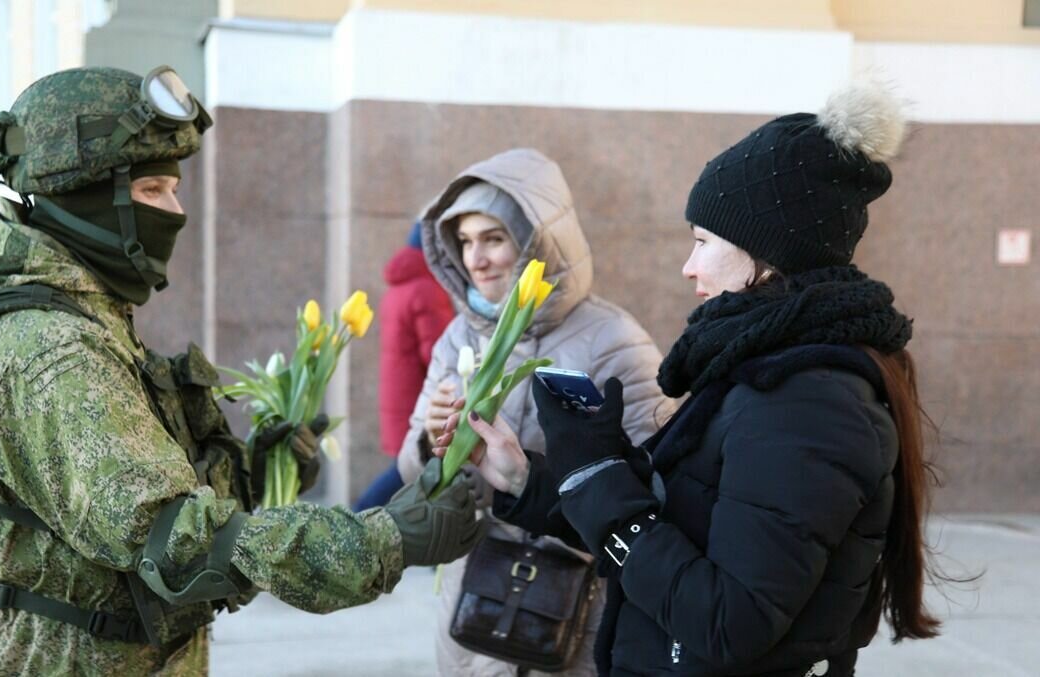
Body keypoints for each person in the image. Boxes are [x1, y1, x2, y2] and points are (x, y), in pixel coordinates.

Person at [0, 66, 483, 675]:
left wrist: (256, 474)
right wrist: (384, 541)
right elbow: (173, 544)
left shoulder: (82, 315)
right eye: (152, 192)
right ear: (82, 194)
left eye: (173, 188)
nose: (177, 211)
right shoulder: (46, 351)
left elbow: (127, 501)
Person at [442, 82, 944, 676]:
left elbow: (726, 621)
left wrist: (595, 473)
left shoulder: (809, 404)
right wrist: (528, 479)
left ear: (767, 255)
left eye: (704, 242)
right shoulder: (759, 371)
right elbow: (670, 533)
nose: (689, 266)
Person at [398, 147, 669, 676]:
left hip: (569, 610)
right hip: (473, 607)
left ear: (540, 240)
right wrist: (430, 444)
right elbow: (415, 475)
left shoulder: (613, 339)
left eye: (494, 239)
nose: (476, 259)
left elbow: (654, 481)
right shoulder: (458, 337)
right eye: (465, 242)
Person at [354, 221, 454, 511]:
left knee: (404, 473)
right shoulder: (427, 289)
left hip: (399, 397)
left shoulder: (399, 287)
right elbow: (439, 353)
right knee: (402, 474)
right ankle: (357, 517)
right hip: (418, 403)